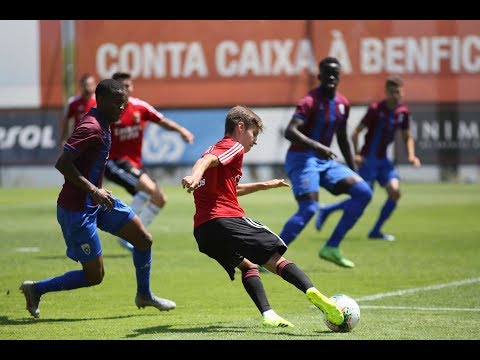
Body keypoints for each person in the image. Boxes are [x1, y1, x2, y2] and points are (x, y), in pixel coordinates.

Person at [19, 78, 176, 319]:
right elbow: (62, 163)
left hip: (98, 203)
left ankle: (144, 294)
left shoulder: (104, 122)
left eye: (123, 104)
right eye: (117, 104)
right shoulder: (90, 127)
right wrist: (94, 190)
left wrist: (96, 192)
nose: (122, 109)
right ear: (100, 100)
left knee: (143, 239)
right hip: (77, 210)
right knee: (95, 276)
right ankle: (36, 289)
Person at [181, 105, 344, 328]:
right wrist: (194, 175)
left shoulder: (220, 149)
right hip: (226, 220)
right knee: (275, 259)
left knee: (248, 266)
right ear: (240, 127)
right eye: (254, 134)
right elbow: (206, 161)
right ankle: (315, 294)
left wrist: (266, 184)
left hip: (204, 231)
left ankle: (268, 314)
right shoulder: (233, 146)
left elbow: (229, 189)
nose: (255, 141)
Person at [279, 56, 373, 269]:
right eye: (327, 73)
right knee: (309, 208)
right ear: (319, 76)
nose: (331, 77)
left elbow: (342, 138)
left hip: (325, 161)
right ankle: (270, 256)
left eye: (335, 73)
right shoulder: (309, 101)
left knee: (364, 192)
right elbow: (290, 131)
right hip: (302, 158)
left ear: (339, 77)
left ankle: (331, 247)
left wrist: (353, 168)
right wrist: (318, 146)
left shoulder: (342, 104)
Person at [104, 72, 195, 251]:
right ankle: (129, 233)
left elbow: (161, 121)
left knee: (159, 198)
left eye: (128, 86)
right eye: (121, 86)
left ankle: (128, 234)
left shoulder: (140, 107)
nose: (126, 89)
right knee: (152, 192)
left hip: (135, 165)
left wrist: (181, 130)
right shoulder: (108, 111)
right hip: (115, 163)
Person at [348, 75, 421, 241]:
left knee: (395, 192)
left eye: (398, 91)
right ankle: (327, 211)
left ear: (402, 92)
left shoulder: (403, 112)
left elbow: (407, 136)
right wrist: (357, 154)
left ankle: (376, 231)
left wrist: (411, 155)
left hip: (384, 162)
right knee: (363, 197)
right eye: (392, 92)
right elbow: (355, 133)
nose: (395, 95)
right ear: (386, 92)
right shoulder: (375, 109)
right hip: (368, 161)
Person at [58, 73, 97, 149]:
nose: (88, 88)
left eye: (90, 85)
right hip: (79, 141)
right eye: (85, 85)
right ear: (81, 86)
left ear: (95, 85)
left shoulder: (99, 102)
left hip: (96, 141)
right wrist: (63, 139)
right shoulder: (73, 102)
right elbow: (66, 121)